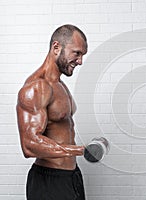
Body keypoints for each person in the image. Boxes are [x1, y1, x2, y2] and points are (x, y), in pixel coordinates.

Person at [16, 24, 88, 200]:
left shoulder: (60, 85)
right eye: (76, 53)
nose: (80, 61)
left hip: (72, 177)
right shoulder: (36, 87)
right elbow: (29, 144)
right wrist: (80, 150)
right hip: (49, 182)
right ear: (56, 47)